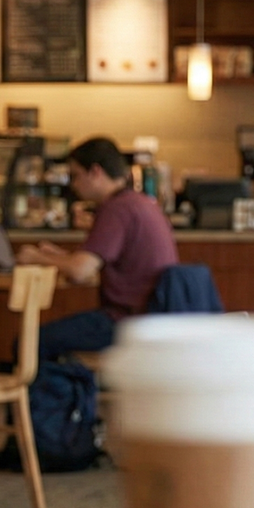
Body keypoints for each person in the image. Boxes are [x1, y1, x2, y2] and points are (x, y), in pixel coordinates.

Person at [16, 137, 177, 359]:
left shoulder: (115, 209)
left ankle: (63, 393)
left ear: (95, 172)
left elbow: (79, 272)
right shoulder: (140, 203)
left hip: (127, 322)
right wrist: (61, 258)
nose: (73, 185)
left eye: (75, 176)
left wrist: (36, 256)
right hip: (152, 319)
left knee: (29, 344)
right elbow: (92, 263)